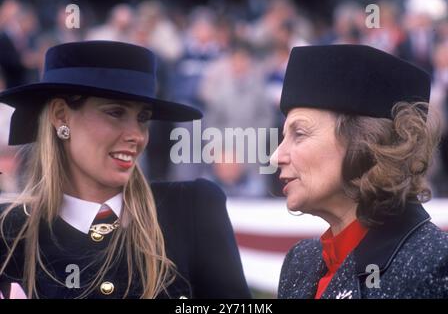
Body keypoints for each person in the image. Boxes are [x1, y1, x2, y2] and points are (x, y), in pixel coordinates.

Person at [0, 41, 251, 299]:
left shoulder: (191, 208)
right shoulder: (10, 231)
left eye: (143, 118)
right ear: (61, 115)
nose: (136, 136)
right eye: (115, 112)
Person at [272, 45, 448, 299]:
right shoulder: (301, 261)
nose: (276, 156)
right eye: (283, 136)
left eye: (299, 134)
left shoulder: (435, 263)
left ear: (364, 142)